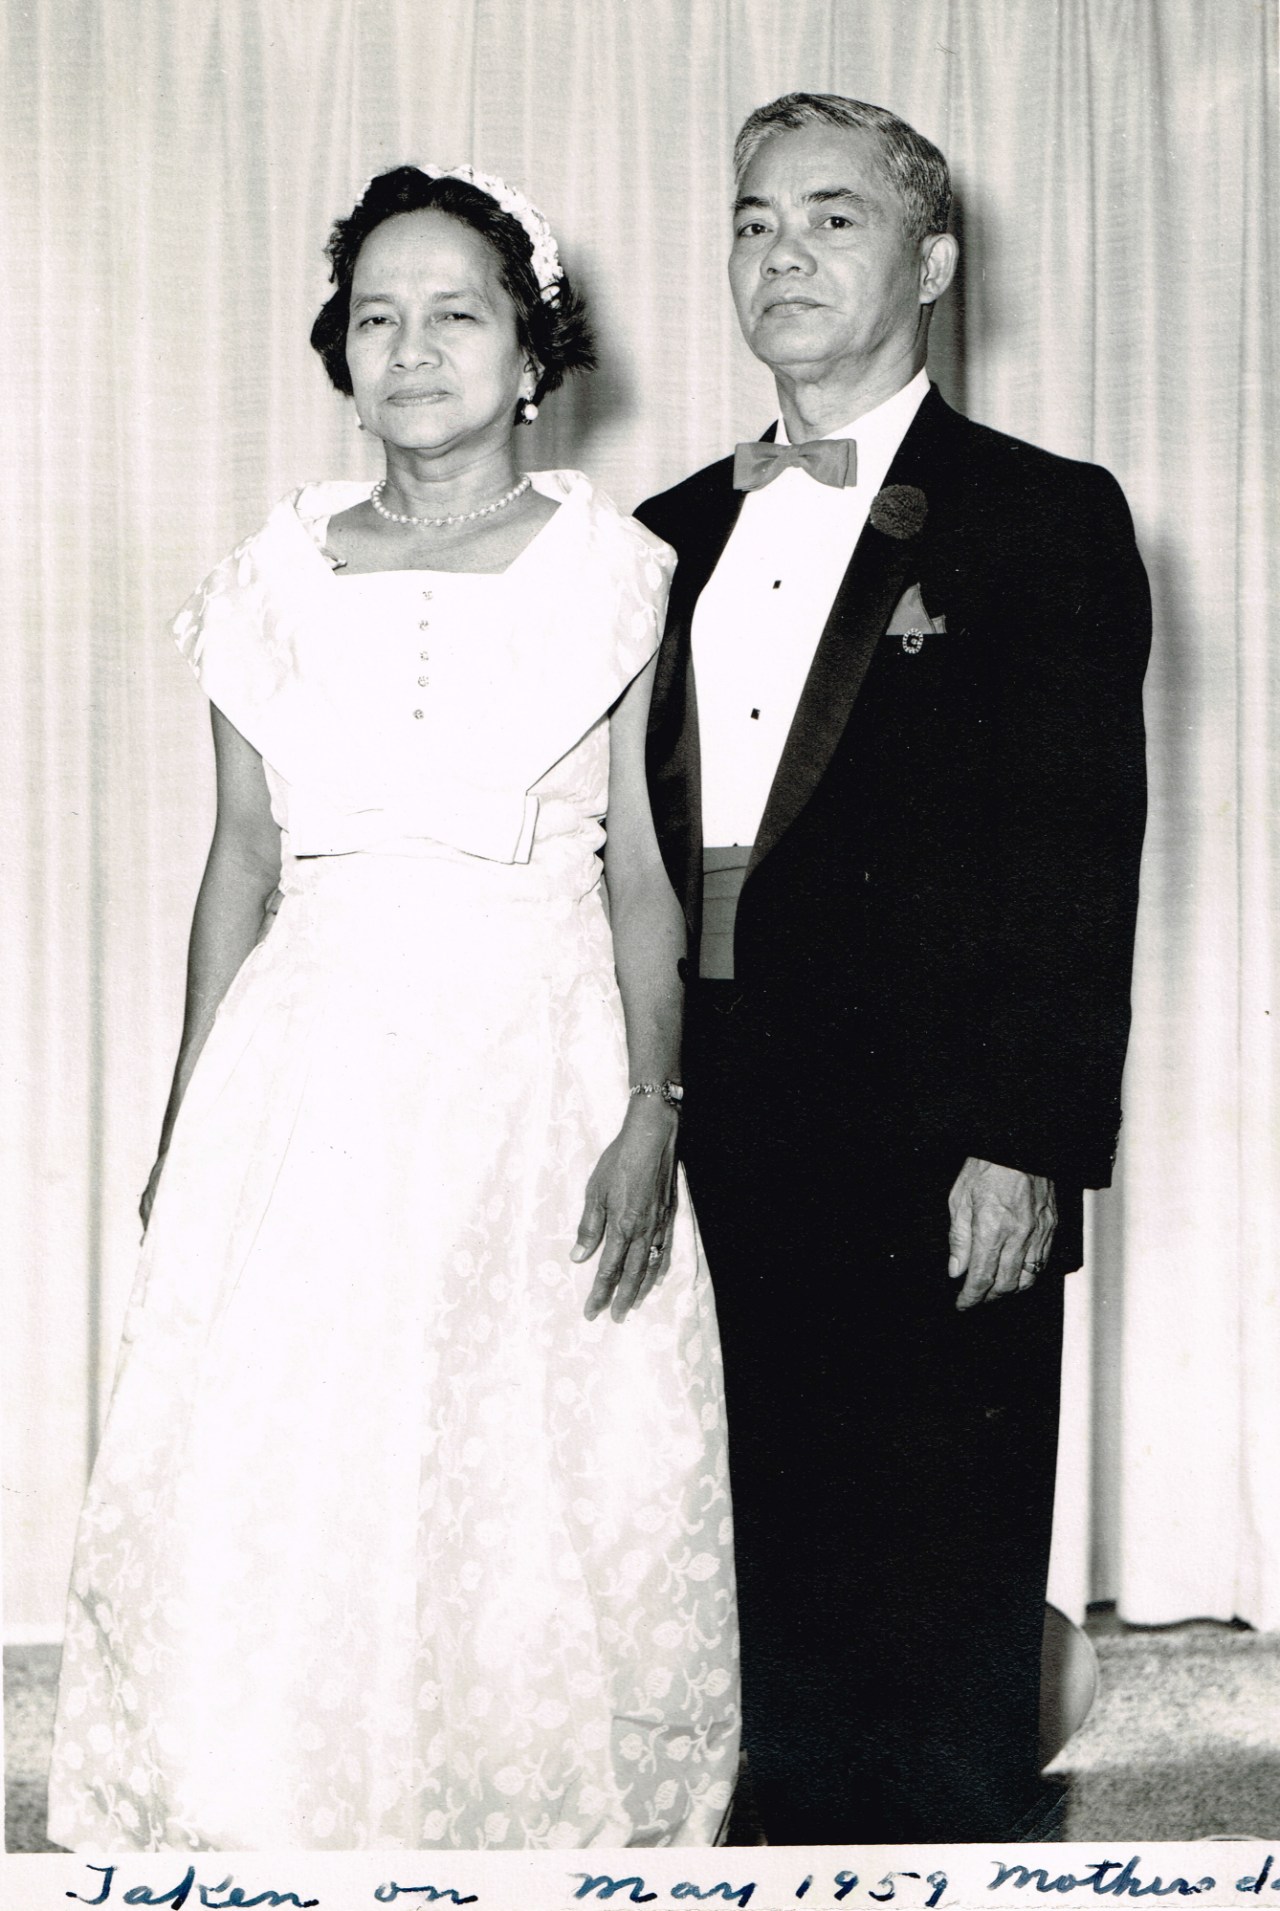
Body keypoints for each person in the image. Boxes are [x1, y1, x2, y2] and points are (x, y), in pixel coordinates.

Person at [47, 163, 738, 1852]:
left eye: (456, 313)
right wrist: (188, 1120)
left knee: (524, 1474)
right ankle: (276, 1830)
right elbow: (238, 871)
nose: (412, 350)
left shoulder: (622, 574)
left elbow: (648, 877)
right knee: (283, 1463)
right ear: (340, 354)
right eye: (377, 317)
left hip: (539, 1060)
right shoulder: (267, 578)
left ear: (530, 351)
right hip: (311, 1071)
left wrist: (651, 1109)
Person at [636, 92, 1150, 1844]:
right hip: (703, 1120)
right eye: (755, 221)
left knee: (936, 1591)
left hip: (940, 1142)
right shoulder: (654, 535)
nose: (781, 253)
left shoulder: (1048, 517)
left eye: (833, 219)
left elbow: (1082, 855)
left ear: (932, 264)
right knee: (731, 1563)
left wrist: (1029, 1137)